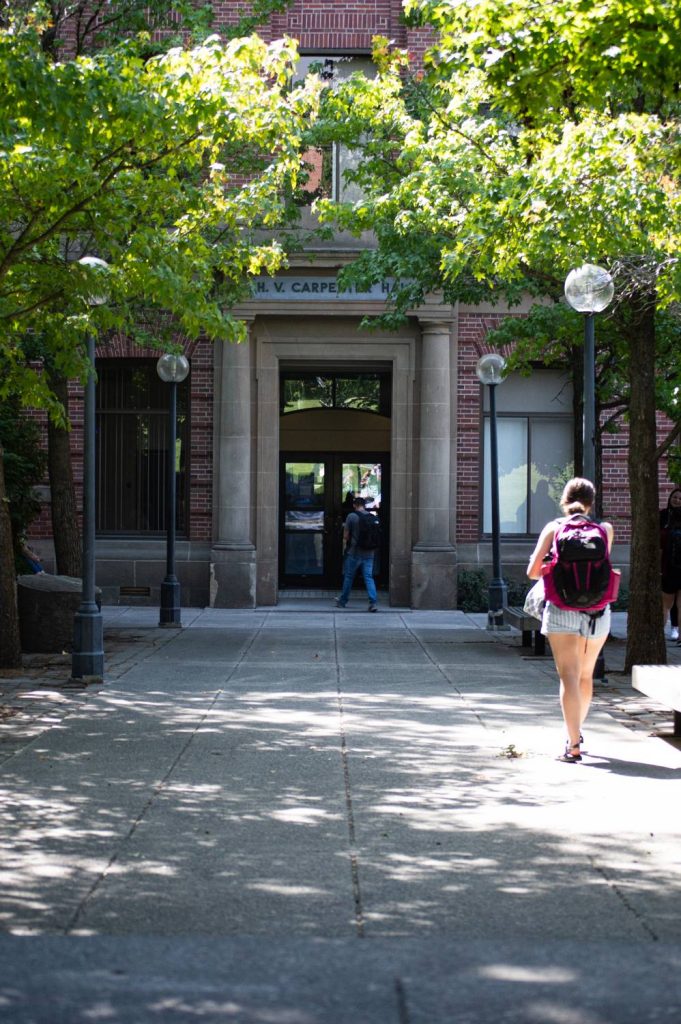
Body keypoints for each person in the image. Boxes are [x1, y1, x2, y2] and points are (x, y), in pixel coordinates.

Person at [527, 477, 614, 763]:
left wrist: (553, 568)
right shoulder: (605, 530)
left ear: (564, 500)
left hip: (562, 609)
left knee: (568, 676)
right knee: (586, 676)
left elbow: (532, 572)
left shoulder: (554, 528)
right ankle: (576, 733)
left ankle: (573, 742)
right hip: (597, 613)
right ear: (592, 501)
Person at [335, 496, 378, 612]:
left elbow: (346, 535)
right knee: (368, 577)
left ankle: (342, 601)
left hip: (354, 552)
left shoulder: (351, 516)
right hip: (369, 553)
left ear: (354, 505)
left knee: (349, 577)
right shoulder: (372, 517)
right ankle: (373, 603)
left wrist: (345, 546)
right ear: (364, 505)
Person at [659, 488, 681, 642]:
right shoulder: (663, 515)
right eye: (675, 497)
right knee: (667, 604)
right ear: (670, 498)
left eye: (680, 498)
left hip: (673, 567)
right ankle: (660, 636)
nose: (677, 500)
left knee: (671, 605)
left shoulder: (666, 517)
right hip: (668, 567)